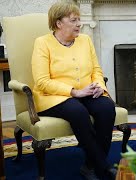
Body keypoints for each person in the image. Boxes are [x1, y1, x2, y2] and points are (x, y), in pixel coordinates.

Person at [31, 1, 116, 179]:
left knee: (107, 107)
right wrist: (74, 92)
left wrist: (99, 86)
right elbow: (41, 81)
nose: (79, 24)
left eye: (79, 19)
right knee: (78, 112)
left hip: (86, 91)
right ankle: (103, 166)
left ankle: (89, 165)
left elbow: (95, 70)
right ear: (58, 23)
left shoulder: (85, 40)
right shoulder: (42, 43)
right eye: (73, 20)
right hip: (53, 97)